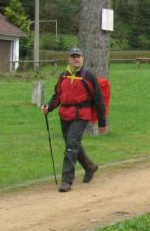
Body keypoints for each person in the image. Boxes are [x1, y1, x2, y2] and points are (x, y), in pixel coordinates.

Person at [41, 47, 107, 192]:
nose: (76, 59)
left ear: (83, 59)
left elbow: (98, 100)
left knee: (71, 146)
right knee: (73, 144)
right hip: (65, 115)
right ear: (69, 59)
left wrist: (102, 123)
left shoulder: (89, 77)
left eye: (78, 56)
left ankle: (66, 181)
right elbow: (57, 96)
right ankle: (90, 167)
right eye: (73, 56)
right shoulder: (63, 76)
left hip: (81, 115)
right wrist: (49, 107)